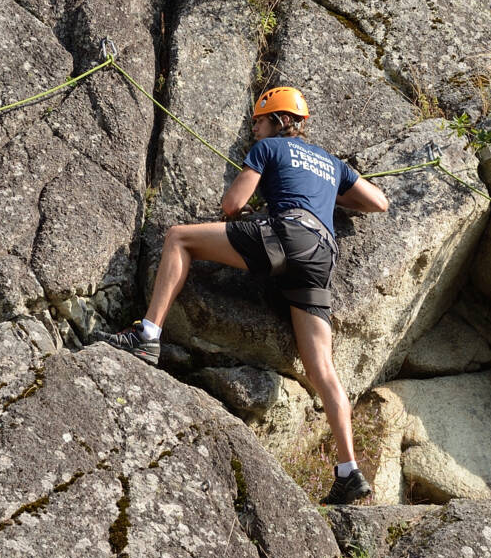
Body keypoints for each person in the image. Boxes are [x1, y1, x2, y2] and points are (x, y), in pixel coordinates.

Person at [94, 86, 390, 505]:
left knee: (179, 238)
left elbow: (232, 204)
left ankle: (147, 334)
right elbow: (378, 202)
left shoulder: (268, 150)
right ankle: (349, 471)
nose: (254, 128)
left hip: (284, 234)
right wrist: (328, 190)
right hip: (322, 253)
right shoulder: (330, 162)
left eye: (258, 121)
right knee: (322, 366)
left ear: (277, 122)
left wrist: (261, 203)